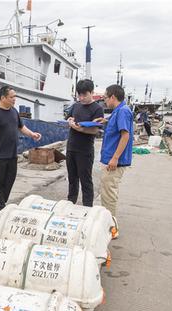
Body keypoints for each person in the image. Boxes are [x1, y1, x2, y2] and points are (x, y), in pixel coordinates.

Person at [0, 86, 42, 212]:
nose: (14, 99)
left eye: (15, 96)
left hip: (12, 154)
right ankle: (0, 208)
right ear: (3, 97)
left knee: (10, 179)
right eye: (12, 97)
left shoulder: (14, 111)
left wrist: (32, 134)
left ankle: (2, 202)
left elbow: (21, 127)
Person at [94, 84, 134, 238]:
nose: (104, 100)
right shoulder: (119, 111)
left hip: (115, 161)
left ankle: (111, 228)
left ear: (112, 97)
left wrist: (115, 158)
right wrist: (105, 121)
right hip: (111, 159)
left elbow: (125, 135)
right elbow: (117, 127)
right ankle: (108, 223)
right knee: (107, 192)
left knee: (109, 194)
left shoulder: (123, 111)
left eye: (105, 97)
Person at [66, 79, 104, 207]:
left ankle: (87, 206)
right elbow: (70, 118)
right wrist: (70, 121)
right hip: (71, 147)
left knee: (85, 179)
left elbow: (95, 129)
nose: (81, 98)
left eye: (84, 95)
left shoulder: (97, 108)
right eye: (79, 94)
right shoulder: (76, 105)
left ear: (92, 92)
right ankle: (70, 202)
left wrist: (80, 128)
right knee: (72, 178)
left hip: (85, 149)